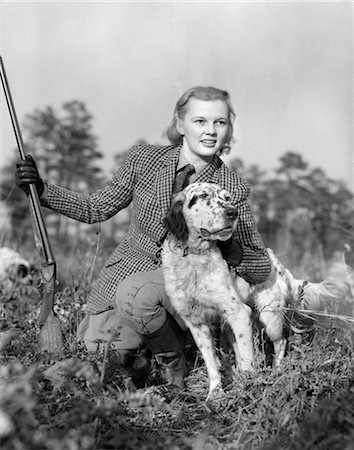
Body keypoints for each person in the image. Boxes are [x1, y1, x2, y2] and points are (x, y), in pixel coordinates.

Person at [15, 86, 271, 388]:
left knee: (136, 297)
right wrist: (42, 189)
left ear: (229, 130)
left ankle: (176, 363)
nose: (211, 131)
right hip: (129, 274)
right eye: (200, 121)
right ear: (180, 124)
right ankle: (165, 344)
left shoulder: (232, 187)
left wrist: (228, 245)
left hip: (188, 283)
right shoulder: (144, 159)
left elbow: (259, 266)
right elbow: (96, 207)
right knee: (99, 351)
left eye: (220, 122)